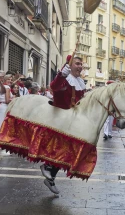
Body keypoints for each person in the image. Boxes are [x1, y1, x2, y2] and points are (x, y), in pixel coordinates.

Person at [40, 55, 86, 194]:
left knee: (67, 152)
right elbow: (54, 86)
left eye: (81, 64)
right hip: (59, 119)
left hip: (72, 120)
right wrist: (63, 73)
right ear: (70, 65)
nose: (80, 66)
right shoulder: (65, 79)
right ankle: (47, 167)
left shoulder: (79, 82)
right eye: (77, 63)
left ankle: (50, 177)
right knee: (61, 149)